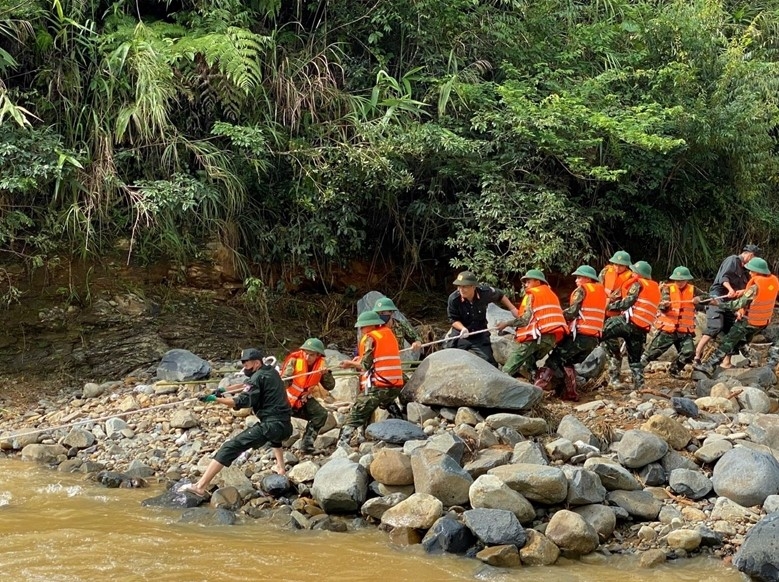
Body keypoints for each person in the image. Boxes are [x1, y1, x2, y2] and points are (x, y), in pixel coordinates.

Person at [180, 348, 293, 497]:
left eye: (247, 365)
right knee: (274, 438)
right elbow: (244, 386)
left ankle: (200, 486)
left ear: (257, 363)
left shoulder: (257, 377)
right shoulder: (270, 372)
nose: (245, 367)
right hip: (285, 426)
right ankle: (281, 468)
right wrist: (221, 390)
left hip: (272, 425)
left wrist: (215, 399)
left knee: (229, 447)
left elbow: (240, 401)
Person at [695, 257, 779, 376]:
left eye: (751, 271)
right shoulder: (773, 282)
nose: (749, 273)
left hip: (748, 322)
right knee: (741, 342)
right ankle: (768, 364)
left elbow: (737, 304)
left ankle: (709, 365)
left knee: (727, 342)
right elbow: (761, 295)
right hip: (762, 323)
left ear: (758, 272)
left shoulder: (755, 287)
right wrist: (745, 291)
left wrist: (717, 303)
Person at [541, 265, 607, 401]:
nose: (576, 280)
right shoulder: (601, 292)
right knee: (568, 363)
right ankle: (570, 394)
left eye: (579, 277)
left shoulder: (582, 290)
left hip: (580, 336)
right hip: (594, 339)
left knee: (553, 360)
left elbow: (572, 312)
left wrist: (556, 316)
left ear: (587, 278)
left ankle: (536, 390)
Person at [338, 311, 404, 446]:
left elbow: (365, 365)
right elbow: (378, 357)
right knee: (388, 402)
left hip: (378, 385)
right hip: (395, 385)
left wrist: (350, 363)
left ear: (370, 325)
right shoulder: (388, 334)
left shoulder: (370, 338)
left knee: (356, 413)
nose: (361, 330)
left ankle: (342, 444)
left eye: (362, 327)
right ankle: (403, 426)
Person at [496, 269, 568, 388]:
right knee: (530, 361)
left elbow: (525, 320)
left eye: (528, 281)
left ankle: (499, 386)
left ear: (538, 282)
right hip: (551, 339)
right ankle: (537, 385)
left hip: (536, 336)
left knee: (513, 363)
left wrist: (507, 323)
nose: (525, 284)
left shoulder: (533, 294)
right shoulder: (552, 294)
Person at [694, 244, 761, 368]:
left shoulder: (747, 272)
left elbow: (745, 291)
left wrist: (741, 299)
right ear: (750, 255)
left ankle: (726, 362)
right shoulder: (733, 260)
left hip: (730, 304)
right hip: (717, 297)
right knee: (715, 326)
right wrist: (729, 289)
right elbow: (724, 277)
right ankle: (697, 356)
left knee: (732, 330)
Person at [637, 266, 707, 378]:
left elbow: (708, 297)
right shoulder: (667, 288)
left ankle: (674, 369)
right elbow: (662, 304)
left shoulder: (693, 290)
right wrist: (664, 305)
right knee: (652, 353)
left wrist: (699, 299)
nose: (679, 283)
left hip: (684, 331)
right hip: (667, 329)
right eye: (677, 280)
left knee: (689, 352)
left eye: (682, 280)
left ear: (687, 280)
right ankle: (637, 370)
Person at [601, 261, 661, 389]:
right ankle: (639, 386)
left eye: (634, 271)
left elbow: (626, 303)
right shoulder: (655, 287)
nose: (632, 272)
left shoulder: (638, 284)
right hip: (641, 329)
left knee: (599, 333)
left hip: (628, 323)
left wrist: (608, 306)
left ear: (639, 274)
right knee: (635, 360)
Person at [446, 271, 519, 365]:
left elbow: (500, 295)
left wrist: (512, 308)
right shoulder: (453, 299)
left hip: (479, 334)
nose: (461, 290)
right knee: (450, 360)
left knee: (490, 363)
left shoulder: (484, 293)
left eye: (464, 287)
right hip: (461, 334)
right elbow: (452, 319)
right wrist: (463, 328)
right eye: (459, 286)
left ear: (473, 286)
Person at [281, 338, 335, 453]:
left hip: (303, 401)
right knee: (280, 428)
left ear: (318, 355)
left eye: (311, 355)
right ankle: (268, 444)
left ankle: (307, 445)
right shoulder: (294, 361)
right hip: (286, 401)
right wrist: (287, 375)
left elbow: (330, 386)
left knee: (321, 414)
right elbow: (285, 382)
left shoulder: (321, 365)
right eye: (306, 353)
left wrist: (326, 374)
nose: (307, 357)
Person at [600, 251, 634, 317]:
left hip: (615, 310)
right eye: (616, 264)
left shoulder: (630, 276)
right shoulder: (606, 270)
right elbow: (598, 284)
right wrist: (604, 290)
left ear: (626, 265)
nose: (617, 268)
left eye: (621, 265)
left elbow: (623, 294)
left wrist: (609, 296)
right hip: (601, 305)